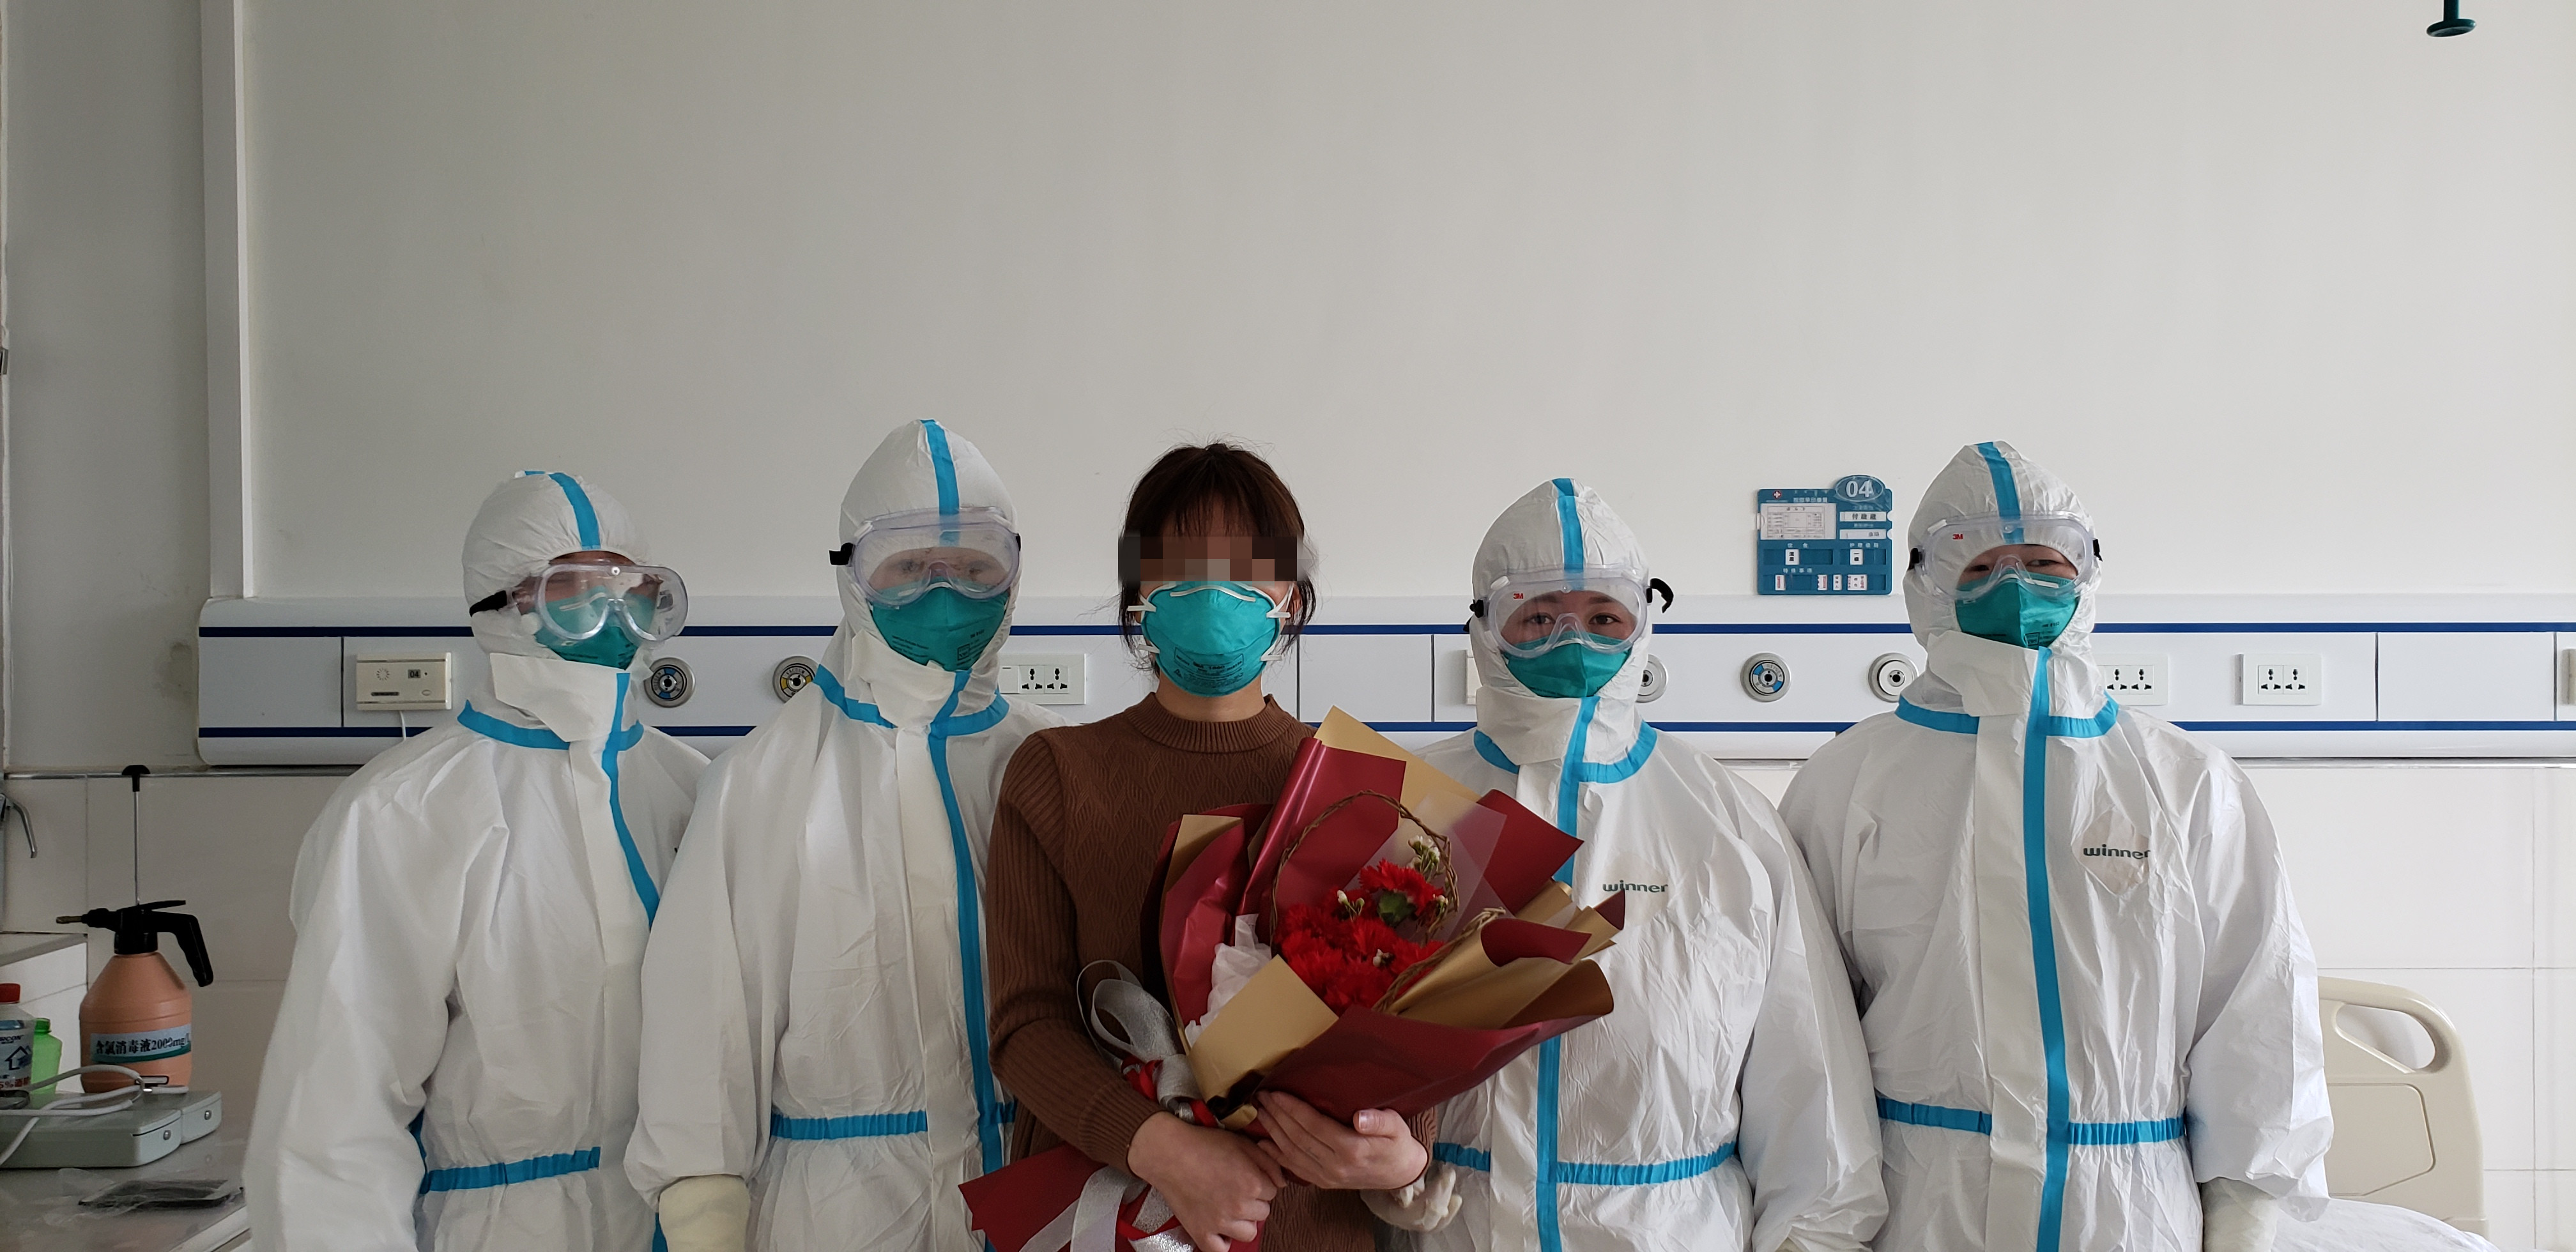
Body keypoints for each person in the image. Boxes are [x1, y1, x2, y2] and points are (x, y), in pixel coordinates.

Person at [1777, 441, 2333, 1252]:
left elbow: (2256, 1011)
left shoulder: (2187, 783)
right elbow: (1803, 1032)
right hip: (1923, 1205)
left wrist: (2245, 1220)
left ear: (2088, 573)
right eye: (1980, 566)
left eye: (2044, 562)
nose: (2016, 585)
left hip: (2130, 1214)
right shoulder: (1848, 781)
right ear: (1927, 584)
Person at [1370, 478, 1885, 1252]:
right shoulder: (1405, 806)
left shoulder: (1729, 823)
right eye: (1538, 616)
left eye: (1604, 616)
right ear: (1485, 626)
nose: (1572, 639)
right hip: (1455, 1231)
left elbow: (1812, 1092)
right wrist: (1368, 1173)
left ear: (1644, 622)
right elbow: (1334, 1041)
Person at [626, 421, 1064, 1251]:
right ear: (852, 576)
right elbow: (701, 1040)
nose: (943, 591)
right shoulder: (761, 782)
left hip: (1041, 1196)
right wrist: (704, 1224)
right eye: (908, 566)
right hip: (839, 1216)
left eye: (975, 567)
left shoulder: (1050, 765)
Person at [247, 471, 707, 1251]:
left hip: (685, 1219)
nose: (612, 614)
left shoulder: (691, 787)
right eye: (574, 590)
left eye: (631, 588)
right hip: (502, 1227)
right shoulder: (404, 810)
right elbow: (338, 1113)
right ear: (500, 605)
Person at [985, 443, 1427, 1252]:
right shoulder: (1056, 775)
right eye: (1181, 566)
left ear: (1291, 595)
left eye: (1248, 567)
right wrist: (1164, 1150)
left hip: (1306, 1227)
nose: (1216, 590)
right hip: (1109, 1217)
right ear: (1137, 593)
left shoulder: (1361, 787)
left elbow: (1409, 1029)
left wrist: (1402, 1153)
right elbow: (1026, 1024)